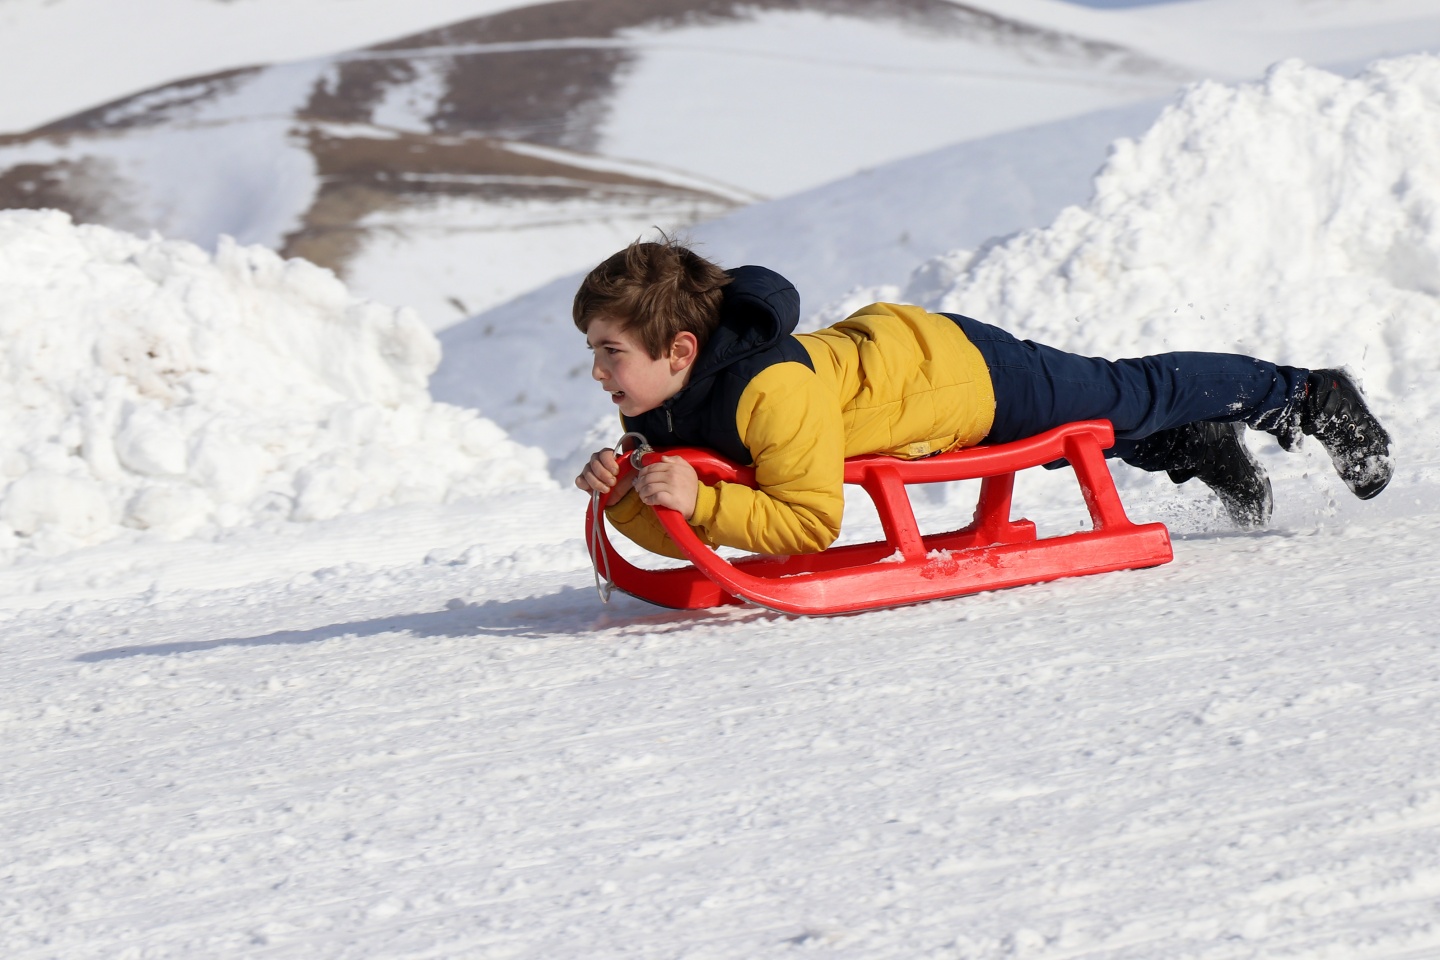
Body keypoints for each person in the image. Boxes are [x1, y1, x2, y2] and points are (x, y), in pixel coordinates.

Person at [573, 239, 1392, 559]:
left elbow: (807, 524)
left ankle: (1307, 397)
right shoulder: (658, 397)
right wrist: (629, 499)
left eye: (610, 351)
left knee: (1124, 393)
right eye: (595, 352)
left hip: (962, 373)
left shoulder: (770, 393)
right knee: (1102, 416)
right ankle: (1193, 447)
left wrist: (691, 501)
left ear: (680, 348)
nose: (600, 372)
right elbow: (686, 521)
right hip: (897, 363)